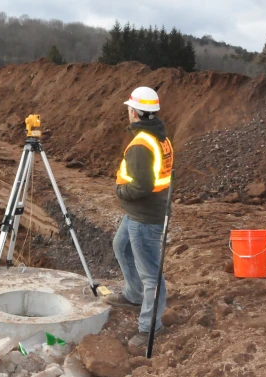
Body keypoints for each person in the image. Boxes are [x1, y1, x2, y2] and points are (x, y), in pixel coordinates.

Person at [106, 86, 174, 349]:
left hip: (145, 216)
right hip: (144, 211)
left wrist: (119, 191)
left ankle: (149, 327)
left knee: (150, 274)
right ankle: (133, 294)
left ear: (134, 112)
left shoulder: (140, 145)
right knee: (120, 245)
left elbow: (141, 186)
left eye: (128, 109)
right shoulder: (159, 137)